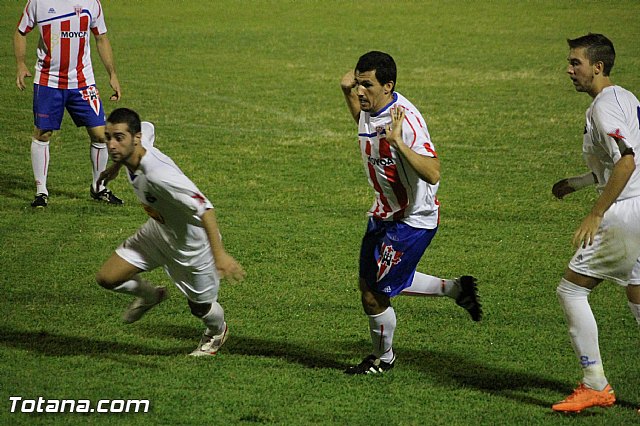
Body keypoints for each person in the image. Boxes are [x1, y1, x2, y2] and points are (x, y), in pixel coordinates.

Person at [340, 51, 482, 375]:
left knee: (375, 296)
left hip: (412, 220)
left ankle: (383, 359)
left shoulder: (406, 123)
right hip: (383, 213)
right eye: (358, 84)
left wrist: (398, 144)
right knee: (368, 284)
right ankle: (456, 289)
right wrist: (345, 90)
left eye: (367, 85)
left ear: (388, 86)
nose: (360, 91)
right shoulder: (369, 107)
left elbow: (434, 172)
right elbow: (362, 120)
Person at [95, 108, 245, 356]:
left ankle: (217, 331)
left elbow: (205, 208)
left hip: (193, 247)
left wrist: (219, 256)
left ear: (136, 138)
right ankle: (151, 296)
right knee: (108, 278)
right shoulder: (139, 142)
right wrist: (115, 167)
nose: (111, 144)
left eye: (119, 138)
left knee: (200, 308)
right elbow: (148, 127)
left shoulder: (160, 175)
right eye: (108, 136)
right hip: (157, 234)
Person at [551, 33, 640, 413]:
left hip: (626, 211)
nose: (569, 70)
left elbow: (626, 161)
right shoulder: (625, 97)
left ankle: (595, 383)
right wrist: (578, 183)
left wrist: (596, 211)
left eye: (576, 63)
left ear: (598, 67)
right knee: (638, 296)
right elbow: (617, 160)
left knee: (571, 291)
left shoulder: (603, 108)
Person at [13, 0, 123, 208]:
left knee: (100, 134)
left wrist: (112, 74)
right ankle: (41, 192)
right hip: (48, 81)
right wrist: (20, 64)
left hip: (82, 82)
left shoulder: (91, 3)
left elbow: (101, 38)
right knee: (43, 133)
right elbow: (20, 31)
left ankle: (99, 188)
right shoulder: (39, 2)